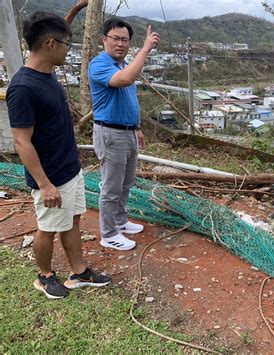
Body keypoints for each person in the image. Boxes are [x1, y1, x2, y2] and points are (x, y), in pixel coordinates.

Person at [6, 12, 111, 299]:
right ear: (51, 44)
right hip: (50, 176)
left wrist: (75, 10)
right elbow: (21, 140)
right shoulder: (23, 88)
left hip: (69, 169)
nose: (69, 49)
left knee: (73, 221)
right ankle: (44, 276)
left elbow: (50, 33)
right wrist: (44, 184)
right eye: (66, 43)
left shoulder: (46, 72)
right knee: (48, 228)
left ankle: (79, 272)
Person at [89, 18, 160, 251]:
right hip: (110, 133)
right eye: (115, 38)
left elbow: (128, 97)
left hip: (127, 132)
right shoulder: (100, 64)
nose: (120, 44)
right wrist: (146, 48)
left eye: (125, 40)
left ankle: (120, 221)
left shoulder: (124, 64)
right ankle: (108, 233)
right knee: (111, 186)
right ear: (104, 40)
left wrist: (137, 126)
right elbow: (126, 80)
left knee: (126, 182)